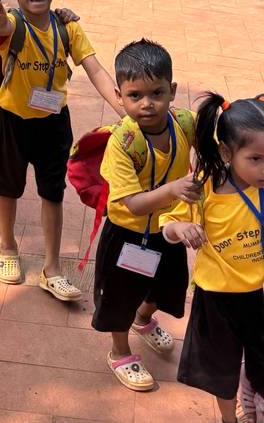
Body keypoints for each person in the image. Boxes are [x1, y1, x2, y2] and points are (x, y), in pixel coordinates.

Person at [0, 0, 123, 300]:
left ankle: (51, 268)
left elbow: (96, 69)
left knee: (52, 192)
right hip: (12, 120)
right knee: (7, 187)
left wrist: (125, 110)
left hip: (54, 122)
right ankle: (7, 247)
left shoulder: (67, 28)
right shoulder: (11, 25)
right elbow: (4, 24)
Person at [90, 38, 200, 391]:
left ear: (173, 91)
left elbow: (219, 138)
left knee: (168, 288)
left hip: (169, 230)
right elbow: (134, 203)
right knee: (119, 296)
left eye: (157, 92)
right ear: (120, 98)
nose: (148, 103)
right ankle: (119, 351)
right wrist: (175, 189)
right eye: (135, 96)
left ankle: (144, 318)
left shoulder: (184, 123)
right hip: (127, 235)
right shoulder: (123, 144)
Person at [160, 93, 264, 423]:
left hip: (257, 294)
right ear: (226, 153)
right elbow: (167, 227)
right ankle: (228, 418)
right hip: (216, 297)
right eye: (256, 159)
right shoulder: (204, 190)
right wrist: (183, 228)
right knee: (222, 367)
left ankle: (252, 393)